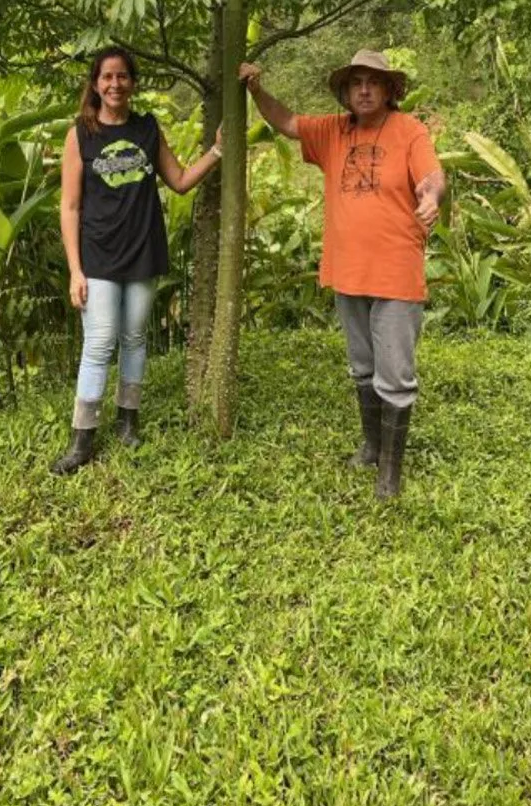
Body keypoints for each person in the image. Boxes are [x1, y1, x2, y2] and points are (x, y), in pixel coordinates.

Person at [240, 50, 445, 499]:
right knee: (363, 368)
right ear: (346, 92)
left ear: (391, 89)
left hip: (395, 272)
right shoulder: (333, 132)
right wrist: (256, 91)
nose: (365, 90)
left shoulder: (410, 131)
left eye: (374, 82)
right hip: (348, 271)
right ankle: (372, 447)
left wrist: (431, 196)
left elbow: (431, 177)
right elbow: (288, 123)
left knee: (395, 373)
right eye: (356, 83)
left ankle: (389, 474)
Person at [49, 48, 223, 474]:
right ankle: (82, 438)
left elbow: (179, 181)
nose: (115, 84)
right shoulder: (80, 134)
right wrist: (75, 270)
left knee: (134, 337)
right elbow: (69, 207)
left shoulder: (147, 128)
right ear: (95, 84)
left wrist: (217, 152)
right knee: (99, 341)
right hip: (98, 255)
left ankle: (129, 419)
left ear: (133, 82)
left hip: (143, 248)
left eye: (123, 76)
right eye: (107, 77)